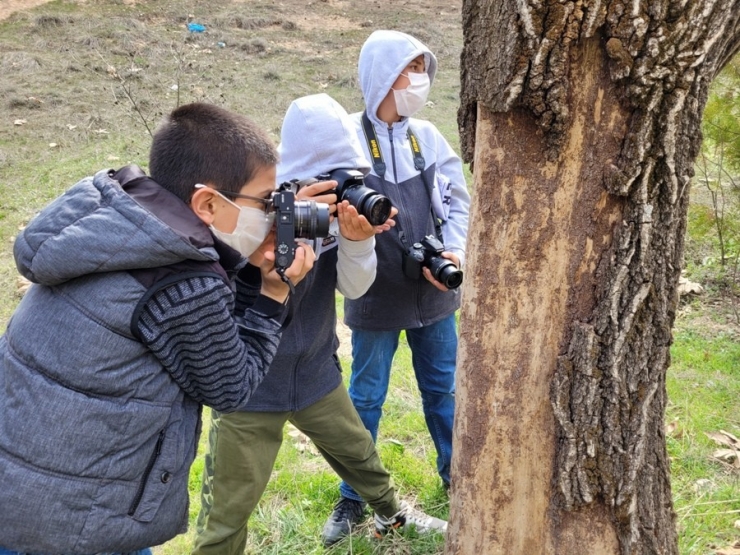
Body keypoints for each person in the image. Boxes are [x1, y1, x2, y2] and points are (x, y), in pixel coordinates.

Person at [0, 102, 316, 555]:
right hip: (78, 521)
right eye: (265, 202)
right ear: (208, 202)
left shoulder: (120, 223)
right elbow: (231, 386)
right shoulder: (180, 282)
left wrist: (242, 261)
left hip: (22, 481)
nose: (272, 214)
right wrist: (274, 291)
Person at [191, 93, 448, 554]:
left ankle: (394, 516)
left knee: (360, 455)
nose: (339, 190)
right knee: (228, 509)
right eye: (328, 178)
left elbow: (353, 290)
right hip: (250, 384)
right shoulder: (257, 214)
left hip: (314, 371)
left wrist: (355, 242)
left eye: (348, 177)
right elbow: (218, 281)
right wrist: (278, 224)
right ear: (297, 173)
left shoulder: (339, 216)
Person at [325, 30, 471, 536]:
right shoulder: (343, 137)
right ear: (382, 77)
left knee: (444, 390)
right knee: (364, 398)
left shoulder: (427, 138)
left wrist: (454, 252)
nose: (420, 80)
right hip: (371, 290)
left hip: (434, 289)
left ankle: (461, 480)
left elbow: (458, 204)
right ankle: (354, 497)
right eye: (409, 70)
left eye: (422, 68)